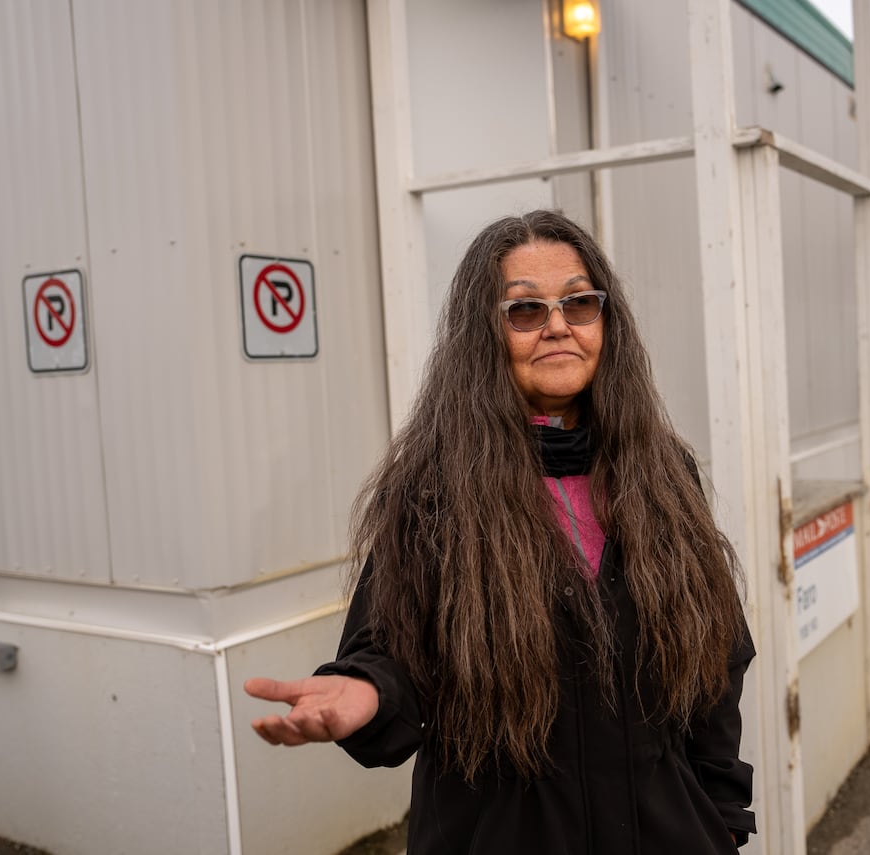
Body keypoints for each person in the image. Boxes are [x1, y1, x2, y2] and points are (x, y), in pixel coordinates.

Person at [245, 210, 756, 854]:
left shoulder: (664, 471)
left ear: (607, 320)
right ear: (483, 334)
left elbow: (716, 660)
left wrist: (723, 815)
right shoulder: (436, 489)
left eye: (579, 303)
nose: (558, 327)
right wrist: (369, 692)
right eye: (525, 312)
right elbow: (395, 653)